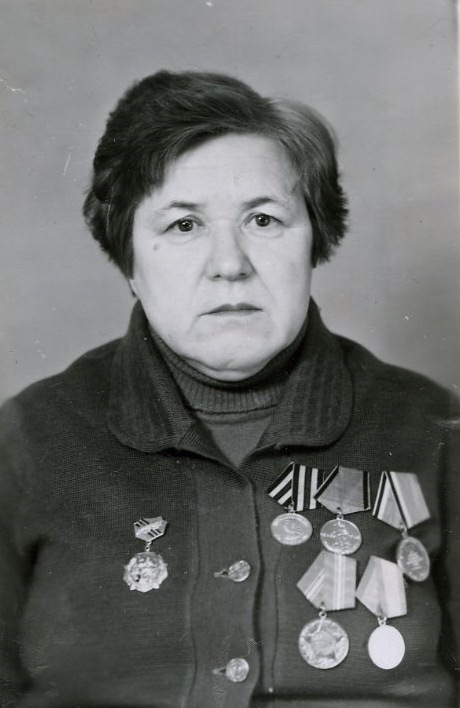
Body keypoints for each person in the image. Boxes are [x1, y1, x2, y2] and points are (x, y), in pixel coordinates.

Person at [0, 69, 458, 708]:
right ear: (129, 258)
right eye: (183, 226)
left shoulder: (435, 430)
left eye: (264, 220)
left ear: (315, 241)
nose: (229, 265)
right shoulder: (25, 440)